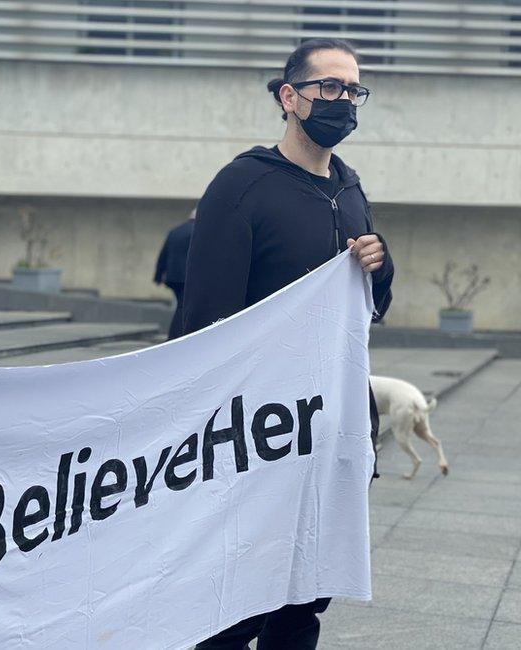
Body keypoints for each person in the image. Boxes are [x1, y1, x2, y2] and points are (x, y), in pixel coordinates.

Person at [181, 39, 394, 649]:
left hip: (337, 426)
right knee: (236, 604)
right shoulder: (242, 186)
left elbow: (371, 307)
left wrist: (380, 266)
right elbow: (206, 318)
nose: (343, 101)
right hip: (262, 431)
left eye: (353, 90)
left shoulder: (350, 188)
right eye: (329, 87)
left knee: (304, 601)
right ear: (289, 96)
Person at [154, 210, 195, 339]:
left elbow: (164, 254)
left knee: (181, 304)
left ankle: (177, 334)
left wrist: (158, 275)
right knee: (182, 307)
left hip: (173, 276)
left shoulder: (175, 231)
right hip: (188, 277)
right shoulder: (198, 231)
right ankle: (176, 336)